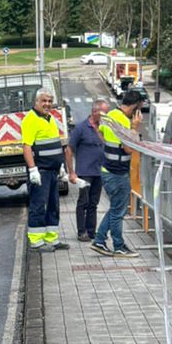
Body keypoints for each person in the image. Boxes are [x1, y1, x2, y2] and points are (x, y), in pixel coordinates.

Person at [20, 89, 76, 251]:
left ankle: (52, 239)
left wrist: (61, 167)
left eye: (50, 101)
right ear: (36, 102)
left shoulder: (50, 119)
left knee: (53, 206)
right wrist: (32, 170)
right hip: (41, 171)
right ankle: (36, 242)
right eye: (44, 101)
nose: (47, 104)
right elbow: (27, 147)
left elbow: (55, 146)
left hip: (52, 171)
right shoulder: (30, 120)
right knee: (38, 205)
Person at [92, 89, 144, 256]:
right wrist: (134, 128)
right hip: (118, 173)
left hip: (107, 169)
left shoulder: (111, 114)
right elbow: (129, 149)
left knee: (115, 208)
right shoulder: (125, 122)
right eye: (140, 109)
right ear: (135, 108)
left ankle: (99, 241)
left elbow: (100, 131)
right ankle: (119, 246)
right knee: (118, 212)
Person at [71, 100, 105, 241]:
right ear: (95, 111)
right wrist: (71, 171)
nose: (106, 115)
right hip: (85, 171)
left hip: (99, 171)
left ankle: (91, 231)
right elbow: (69, 148)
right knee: (83, 201)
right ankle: (81, 231)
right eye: (104, 112)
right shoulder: (80, 128)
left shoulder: (102, 127)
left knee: (94, 203)